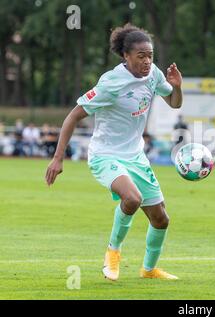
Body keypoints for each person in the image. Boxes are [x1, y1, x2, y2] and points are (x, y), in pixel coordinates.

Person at [45, 24, 183, 281]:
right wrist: (57, 158)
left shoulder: (153, 74)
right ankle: (113, 253)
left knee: (161, 219)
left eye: (150, 55)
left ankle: (149, 269)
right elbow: (73, 116)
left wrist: (178, 86)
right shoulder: (111, 83)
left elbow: (175, 103)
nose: (147, 61)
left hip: (136, 156)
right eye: (140, 56)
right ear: (126, 56)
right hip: (105, 154)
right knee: (132, 198)